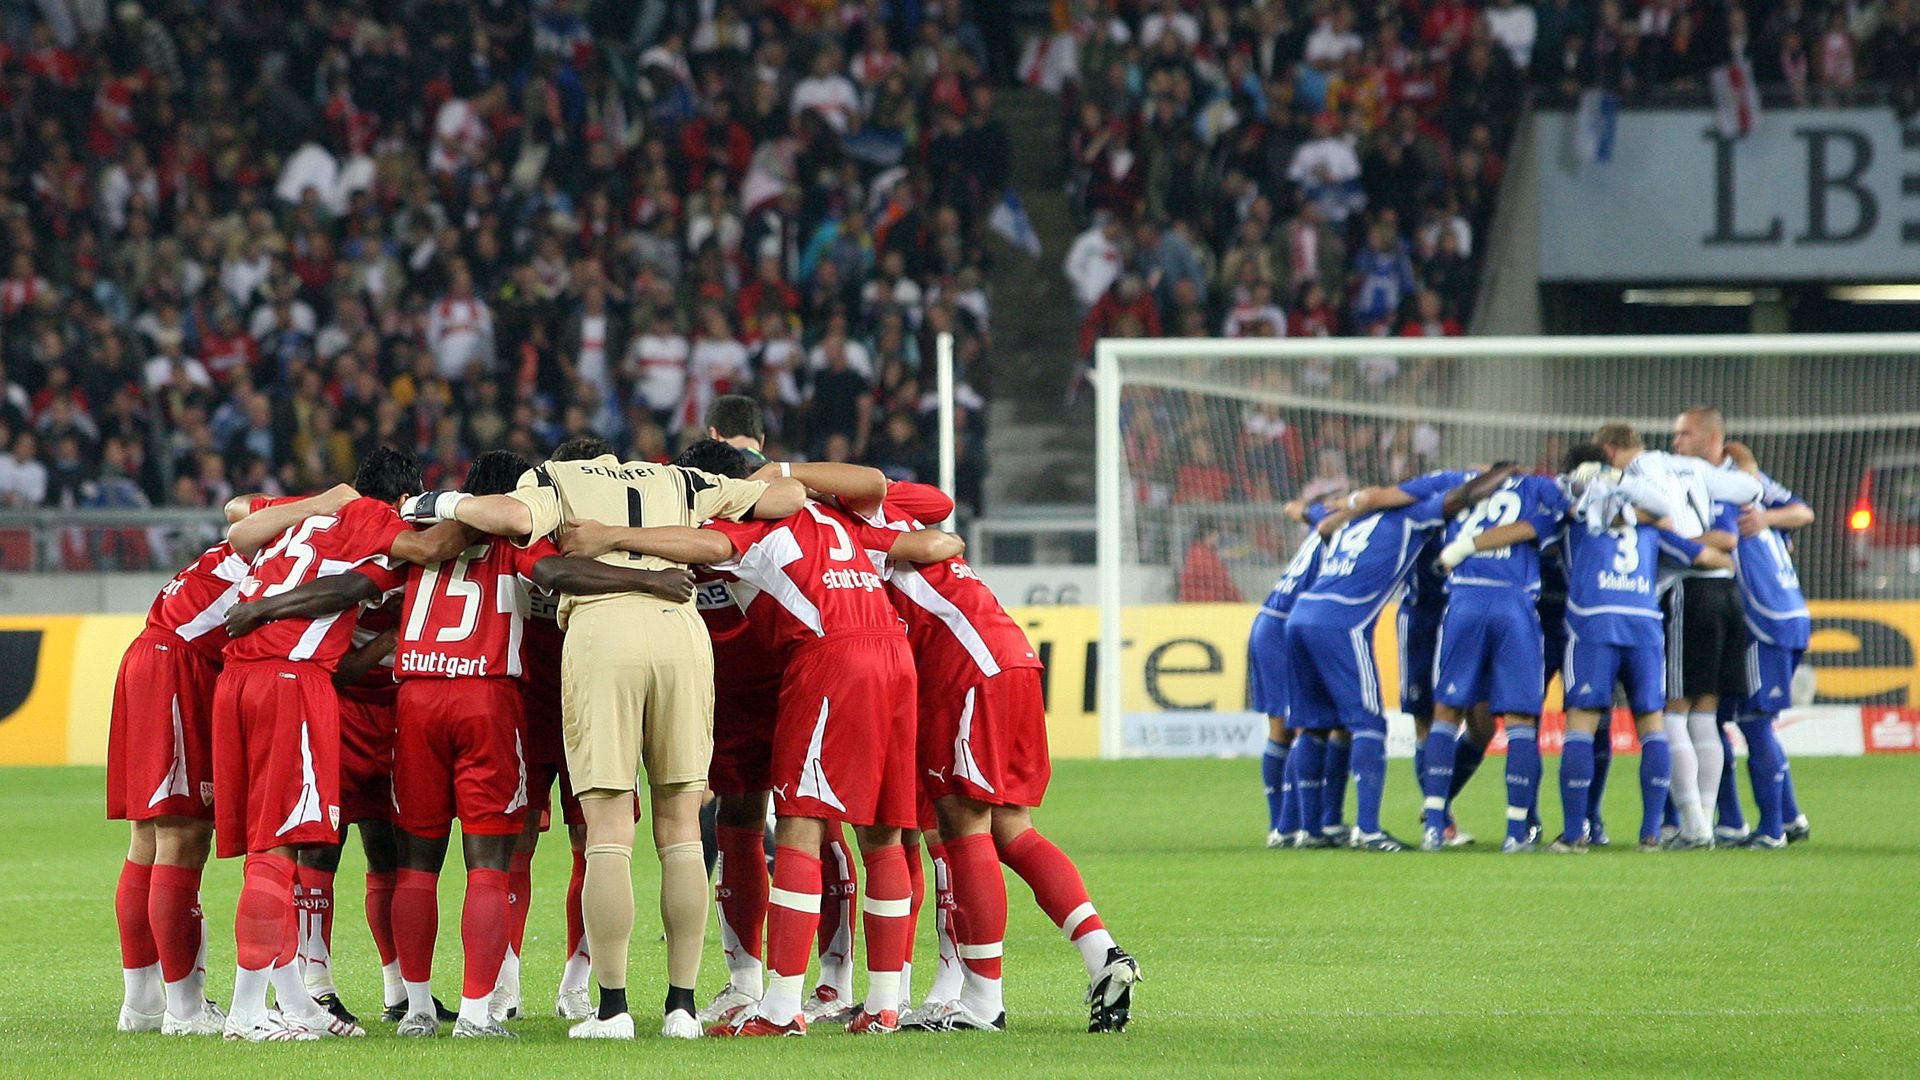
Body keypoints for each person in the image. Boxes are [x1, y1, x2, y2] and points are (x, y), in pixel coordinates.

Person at [225, 450, 694, 1038]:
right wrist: (649, 579)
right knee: (488, 867)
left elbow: (355, 583)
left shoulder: (420, 537)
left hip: (416, 699)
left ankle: (417, 1009)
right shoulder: (514, 538)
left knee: (414, 866)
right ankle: (476, 1012)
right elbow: (556, 576)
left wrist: (266, 609)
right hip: (486, 699)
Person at [399, 437, 802, 1040]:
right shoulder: (679, 479)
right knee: (683, 830)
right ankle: (682, 1009)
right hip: (681, 628)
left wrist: (436, 502)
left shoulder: (557, 478)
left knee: (608, 834)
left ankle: (612, 1010)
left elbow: (510, 516)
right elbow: (786, 497)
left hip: (603, 627)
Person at [560, 443, 961, 1036]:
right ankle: (884, 1002)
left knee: (798, 826)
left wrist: (612, 535)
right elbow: (928, 536)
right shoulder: (838, 517)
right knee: (883, 830)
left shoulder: (755, 525)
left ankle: (780, 1006)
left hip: (829, 659)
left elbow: (709, 545)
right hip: (892, 656)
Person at [858, 477, 1142, 1033]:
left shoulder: (848, 534)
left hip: (965, 671)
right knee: (1012, 828)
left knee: (962, 828)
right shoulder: (891, 518)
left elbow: (937, 510)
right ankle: (1102, 954)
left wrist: (791, 477)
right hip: (1010, 657)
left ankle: (983, 1001)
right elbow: (937, 504)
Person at [212, 448, 469, 1042]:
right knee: (279, 849)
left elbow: (239, 520)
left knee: (272, 844)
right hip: (290, 677)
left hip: (239, 678)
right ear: (402, 499)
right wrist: (478, 513)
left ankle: (295, 1003)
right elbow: (430, 548)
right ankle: (246, 1015)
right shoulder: (375, 516)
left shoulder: (308, 516)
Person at [107, 484, 355, 1036]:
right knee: (181, 837)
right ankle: (184, 1009)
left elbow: (239, 506)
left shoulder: (269, 539)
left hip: (153, 655)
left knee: (148, 838)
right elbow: (239, 509)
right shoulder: (292, 555)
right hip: (180, 666)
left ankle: (143, 1002)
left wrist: (309, 505)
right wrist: (322, 506)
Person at [1285, 466, 1516, 850]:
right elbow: (1458, 498)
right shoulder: (1413, 516)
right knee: (1369, 725)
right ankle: (1368, 830)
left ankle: (1309, 830)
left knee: (1313, 724)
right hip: (1343, 620)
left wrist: (1327, 508)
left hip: (1302, 614)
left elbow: (1309, 515)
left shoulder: (1354, 517)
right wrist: (1505, 473)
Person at [1545, 448, 1734, 852]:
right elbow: (1710, 557)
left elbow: (1551, 517)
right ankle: (1650, 833)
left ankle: (1574, 834)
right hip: (1644, 625)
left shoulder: (1575, 514)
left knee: (1581, 723)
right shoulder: (1649, 523)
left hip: (1594, 621)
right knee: (1651, 723)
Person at [1595, 419, 1762, 846]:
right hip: (1728, 592)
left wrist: (1690, 545)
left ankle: (1695, 825)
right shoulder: (1691, 466)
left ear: (1610, 451)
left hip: (1687, 589)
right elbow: (1750, 490)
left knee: (1673, 711)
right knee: (1705, 715)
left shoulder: (1636, 473)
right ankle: (1701, 823)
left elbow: (1661, 516)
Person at [1419, 468, 1570, 852]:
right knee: (1521, 720)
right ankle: (1516, 832)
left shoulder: (1458, 485)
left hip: (1464, 601)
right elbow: (1563, 515)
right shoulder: (1538, 486)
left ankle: (1434, 827)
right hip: (1514, 604)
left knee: (1447, 712)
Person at [1721, 440, 1812, 848]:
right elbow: (1798, 514)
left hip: (1768, 620)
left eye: (1683, 435)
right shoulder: (1754, 492)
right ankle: (1789, 817)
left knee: (1755, 721)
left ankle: (1771, 830)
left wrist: (1765, 519)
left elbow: (1803, 512)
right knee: (1747, 718)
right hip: (1786, 615)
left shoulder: (1733, 494)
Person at [1250, 500, 1331, 848]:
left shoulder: (1323, 522)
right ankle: (1287, 826)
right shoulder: (1344, 530)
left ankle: (1283, 827)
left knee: (1282, 729)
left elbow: (1293, 508)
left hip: (1269, 620)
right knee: (1302, 726)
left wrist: (1309, 509)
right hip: (1286, 626)